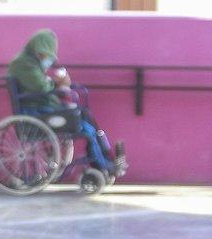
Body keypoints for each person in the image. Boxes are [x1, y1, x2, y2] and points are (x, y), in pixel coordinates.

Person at [7, 29, 126, 174]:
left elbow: (42, 85)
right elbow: (42, 87)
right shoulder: (24, 64)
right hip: (37, 111)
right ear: (36, 49)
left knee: (86, 117)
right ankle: (102, 164)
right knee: (86, 128)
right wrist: (59, 84)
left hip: (43, 107)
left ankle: (106, 158)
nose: (46, 59)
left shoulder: (30, 63)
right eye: (44, 54)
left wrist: (59, 85)